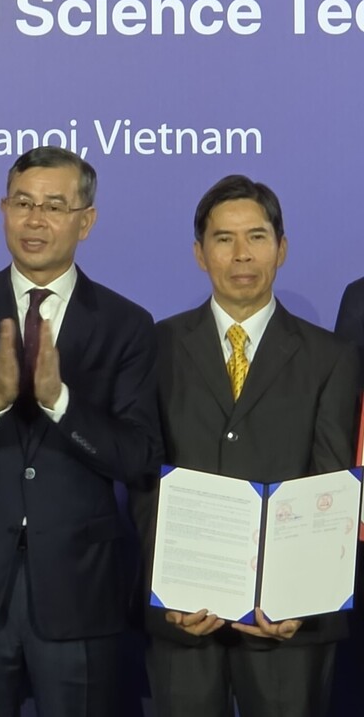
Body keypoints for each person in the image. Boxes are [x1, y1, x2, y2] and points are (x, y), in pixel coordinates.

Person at [0, 146, 161, 716]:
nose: (35, 220)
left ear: (85, 221)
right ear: (4, 210)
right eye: (22, 203)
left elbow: (138, 456)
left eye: (53, 206)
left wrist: (59, 402)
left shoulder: (126, 324)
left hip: (79, 587)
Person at [130, 174, 357, 717]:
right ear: (199, 253)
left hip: (288, 627)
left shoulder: (330, 356)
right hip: (184, 617)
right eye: (223, 238)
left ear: (282, 248)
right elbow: (142, 477)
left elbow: (329, 485)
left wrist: (301, 600)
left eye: (256, 236)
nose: (241, 255)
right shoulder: (156, 345)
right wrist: (169, 592)